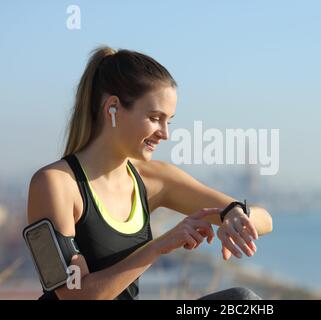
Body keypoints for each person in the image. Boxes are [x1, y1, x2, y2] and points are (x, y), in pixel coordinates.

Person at [27, 46, 273, 300]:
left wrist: (234, 213)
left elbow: (265, 220)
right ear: (113, 108)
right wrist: (158, 246)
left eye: (169, 121)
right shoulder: (54, 184)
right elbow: (73, 295)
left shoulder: (154, 179)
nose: (165, 133)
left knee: (243, 300)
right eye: (155, 118)